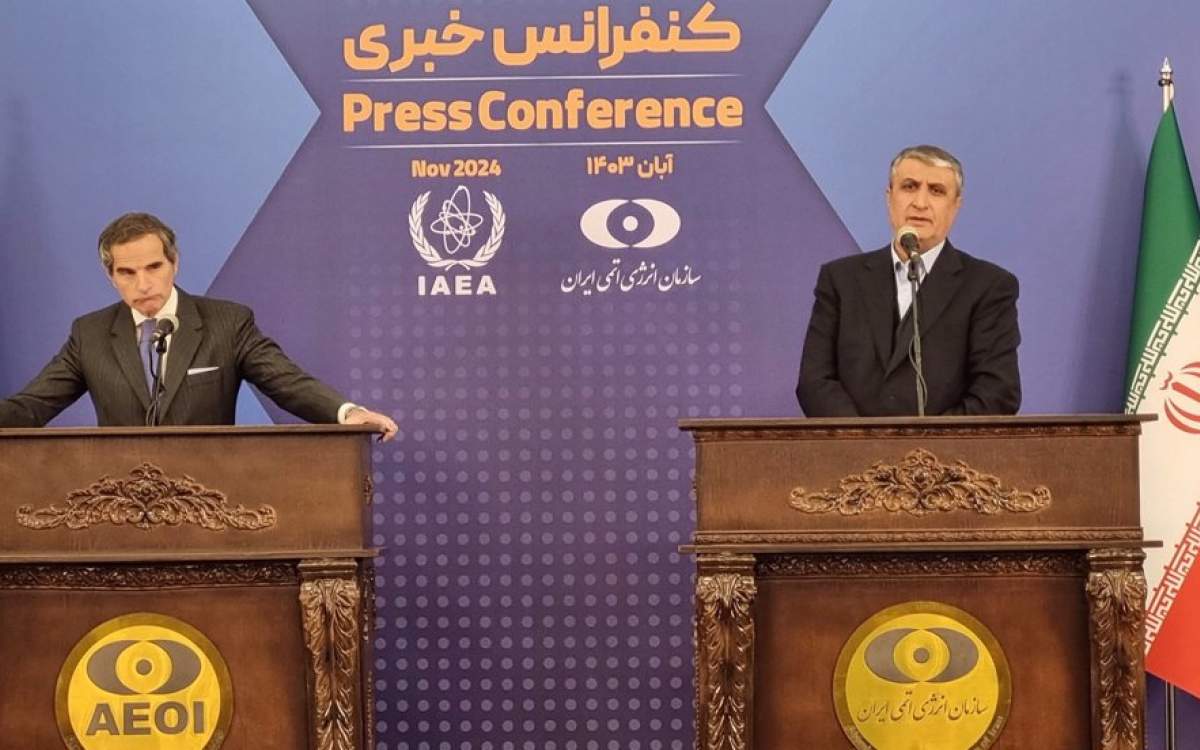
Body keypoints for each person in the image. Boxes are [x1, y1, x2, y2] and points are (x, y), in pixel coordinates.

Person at [0, 212, 399, 439]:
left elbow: (287, 383)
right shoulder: (89, 334)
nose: (143, 284)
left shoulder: (227, 323)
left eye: (154, 267)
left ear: (174, 262)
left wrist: (346, 412)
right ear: (111, 276)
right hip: (116, 505)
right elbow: (34, 405)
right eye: (127, 272)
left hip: (210, 500)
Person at [797, 145, 1020, 417]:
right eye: (909, 187)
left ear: (955, 206)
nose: (920, 203)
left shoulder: (989, 286)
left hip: (944, 457)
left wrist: (922, 449)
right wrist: (862, 442)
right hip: (853, 454)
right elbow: (815, 381)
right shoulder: (841, 280)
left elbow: (996, 393)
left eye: (936, 191)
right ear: (889, 197)